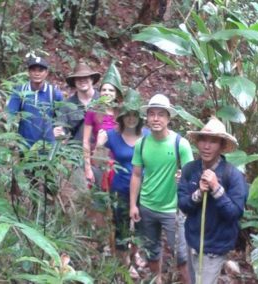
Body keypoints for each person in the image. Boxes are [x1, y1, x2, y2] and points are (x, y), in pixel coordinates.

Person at [129, 94, 193, 284]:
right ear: (147, 118)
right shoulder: (141, 144)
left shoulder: (180, 144)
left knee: (182, 256)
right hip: (147, 206)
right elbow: (136, 175)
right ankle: (157, 280)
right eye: (152, 114)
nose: (156, 119)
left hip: (173, 210)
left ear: (168, 118)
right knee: (152, 252)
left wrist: (184, 177)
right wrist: (134, 205)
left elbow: (192, 177)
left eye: (161, 115)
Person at [178, 116, 248, 284]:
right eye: (203, 140)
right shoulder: (189, 170)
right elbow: (183, 204)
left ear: (222, 146)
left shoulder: (233, 176)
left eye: (213, 142)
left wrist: (217, 189)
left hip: (214, 249)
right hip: (192, 241)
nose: (206, 146)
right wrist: (198, 194)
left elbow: (235, 214)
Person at [95, 88, 149, 278]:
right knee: (121, 225)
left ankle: (136, 253)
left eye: (135, 115)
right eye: (128, 115)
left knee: (141, 225)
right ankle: (125, 263)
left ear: (139, 118)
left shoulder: (148, 135)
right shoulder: (112, 136)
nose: (131, 119)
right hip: (120, 187)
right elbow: (97, 155)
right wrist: (99, 143)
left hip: (144, 189)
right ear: (122, 117)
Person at [7, 56, 63, 148]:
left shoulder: (54, 93)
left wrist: (59, 128)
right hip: (25, 144)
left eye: (40, 70)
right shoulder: (20, 91)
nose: (37, 73)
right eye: (33, 70)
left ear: (46, 73)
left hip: (48, 144)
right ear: (29, 72)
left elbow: (62, 115)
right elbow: (10, 114)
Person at [83, 62, 123, 187]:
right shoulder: (92, 111)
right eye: (104, 89)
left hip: (120, 163)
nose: (107, 93)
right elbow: (85, 141)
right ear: (99, 92)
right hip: (99, 160)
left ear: (116, 93)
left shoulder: (123, 113)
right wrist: (88, 168)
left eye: (111, 90)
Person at [53, 61, 101, 141]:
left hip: (100, 150)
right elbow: (61, 130)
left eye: (85, 77)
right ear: (74, 82)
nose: (82, 80)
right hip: (76, 151)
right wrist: (59, 133)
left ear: (92, 79)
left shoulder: (102, 100)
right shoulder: (67, 105)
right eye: (78, 78)